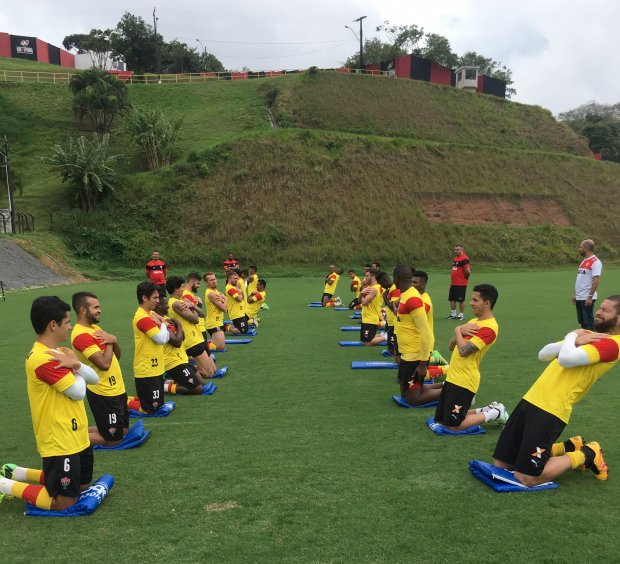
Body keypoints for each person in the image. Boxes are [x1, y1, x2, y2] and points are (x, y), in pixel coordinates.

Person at [492, 295, 620, 486]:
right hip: (531, 399)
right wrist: (576, 338)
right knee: (501, 464)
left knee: (526, 477)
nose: (598, 312)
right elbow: (543, 354)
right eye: (600, 307)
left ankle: (587, 453)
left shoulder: (613, 344)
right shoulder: (591, 335)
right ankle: (567, 447)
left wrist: (572, 337)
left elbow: (566, 359)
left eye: (606, 310)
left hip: (552, 410)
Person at [0, 296, 98, 510]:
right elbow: (80, 391)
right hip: (59, 440)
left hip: (77, 435)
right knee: (64, 502)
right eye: (67, 322)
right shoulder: (42, 359)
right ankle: (5, 485)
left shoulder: (61, 353)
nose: (70, 326)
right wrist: (77, 367)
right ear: (53, 325)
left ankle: (18, 472)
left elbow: (96, 379)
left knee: (82, 488)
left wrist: (75, 365)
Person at [434, 284, 508, 430]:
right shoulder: (473, 322)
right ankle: (487, 409)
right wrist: (460, 331)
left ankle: (496, 413)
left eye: (475, 300)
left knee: (453, 426)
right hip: (453, 377)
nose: (470, 303)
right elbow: (450, 347)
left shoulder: (490, 328)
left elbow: (463, 351)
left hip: (464, 381)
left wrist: (458, 329)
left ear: (487, 303)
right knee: (441, 419)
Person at [71, 292, 128, 447]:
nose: (99, 310)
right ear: (83, 310)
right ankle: (68, 436)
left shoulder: (95, 328)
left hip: (117, 388)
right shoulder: (81, 335)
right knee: (114, 440)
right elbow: (104, 364)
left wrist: (114, 341)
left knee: (123, 431)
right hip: (103, 392)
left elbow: (116, 355)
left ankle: (75, 430)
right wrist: (110, 341)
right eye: (96, 307)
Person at [391, 265, 444, 406]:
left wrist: (422, 363)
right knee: (405, 393)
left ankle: (456, 392)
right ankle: (447, 386)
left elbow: (425, 332)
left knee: (413, 400)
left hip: (415, 355)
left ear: (396, 279)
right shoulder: (405, 295)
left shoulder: (413, 299)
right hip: (406, 354)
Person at [130, 281, 169, 414]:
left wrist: (162, 323)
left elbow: (165, 337)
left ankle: (125, 399)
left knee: (158, 406)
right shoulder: (142, 318)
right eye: (155, 298)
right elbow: (162, 339)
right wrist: (163, 323)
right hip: (146, 369)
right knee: (152, 409)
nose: (158, 301)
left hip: (156, 367)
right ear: (144, 298)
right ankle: (123, 401)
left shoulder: (150, 314)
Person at [167, 275, 216, 379]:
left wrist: (192, 306)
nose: (184, 289)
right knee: (209, 374)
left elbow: (202, 314)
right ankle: (178, 373)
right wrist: (192, 308)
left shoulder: (182, 301)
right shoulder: (176, 304)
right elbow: (195, 319)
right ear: (176, 289)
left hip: (197, 338)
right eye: (182, 287)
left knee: (213, 370)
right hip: (191, 341)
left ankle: (184, 370)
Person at [154, 296, 205, 395]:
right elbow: (177, 342)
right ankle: (162, 387)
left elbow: (183, 337)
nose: (168, 307)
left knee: (202, 382)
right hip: (172, 362)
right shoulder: (159, 322)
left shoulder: (168, 319)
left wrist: (178, 327)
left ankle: (166, 382)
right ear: (159, 306)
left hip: (182, 359)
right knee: (197, 388)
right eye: (166, 305)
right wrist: (179, 325)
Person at [572, 239, 602, 330]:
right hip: (580, 296)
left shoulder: (595, 262)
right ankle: (585, 341)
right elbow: (581, 279)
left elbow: (596, 280)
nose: (579, 249)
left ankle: (592, 342)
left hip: (587, 297)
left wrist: (589, 297)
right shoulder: (584, 261)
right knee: (582, 322)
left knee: (589, 322)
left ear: (586, 248)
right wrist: (576, 294)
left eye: (580, 247)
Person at [359, 269, 386, 346]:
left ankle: (387, 336)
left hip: (369, 319)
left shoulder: (373, 289)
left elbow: (363, 303)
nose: (365, 278)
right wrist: (361, 294)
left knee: (367, 342)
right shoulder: (376, 287)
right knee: (367, 338)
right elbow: (360, 301)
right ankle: (385, 335)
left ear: (373, 277)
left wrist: (362, 293)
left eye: (367, 276)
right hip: (369, 317)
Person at [204, 272, 227, 351]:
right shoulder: (212, 294)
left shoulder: (216, 292)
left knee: (221, 346)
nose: (214, 281)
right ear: (206, 283)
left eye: (214, 279)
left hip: (218, 321)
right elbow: (224, 309)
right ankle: (201, 346)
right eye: (211, 280)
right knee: (220, 347)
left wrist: (223, 299)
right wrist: (225, 298)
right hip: (214, 323)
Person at [448, 244, 471, 320]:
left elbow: (467, 271)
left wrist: (464, 278)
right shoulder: (455, 258)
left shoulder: (464, 259)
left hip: (460, 283)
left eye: (457, 250)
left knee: (461, 300)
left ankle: (461, 315)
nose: (455, 251)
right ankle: (453, 314)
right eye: (455, 250)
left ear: (461, 250)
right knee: (452, 299)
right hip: (453, 283)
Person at [181, 273, 207, 340]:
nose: (199, 286)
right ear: (192, 282)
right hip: (198, 329)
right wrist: (199, 304)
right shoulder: (186, 295)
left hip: (199, 328)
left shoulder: (190, 294)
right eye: (198, 283)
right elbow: (195, 313)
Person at [226, 269, 249, 334]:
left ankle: (233, 325)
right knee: (242, 331)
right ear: (230, 279)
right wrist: (241, 293)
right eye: (235, 278)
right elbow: (239, 299)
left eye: (237, 278)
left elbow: (242, 297)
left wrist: (241, 293)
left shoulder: (234, 287)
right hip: (236, 314)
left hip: (240, 312)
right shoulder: (230, 288)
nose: (236, 280)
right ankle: (225, 327)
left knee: (245, 330)